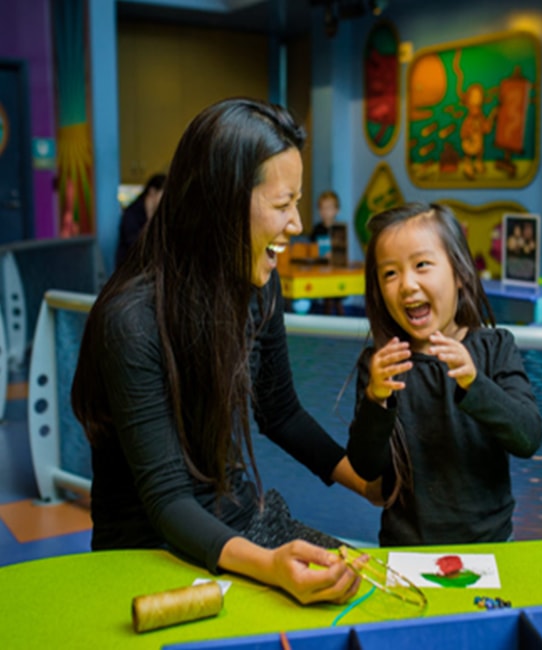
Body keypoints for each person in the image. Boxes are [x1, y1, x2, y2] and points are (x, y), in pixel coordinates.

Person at [71, 98, 375, 605]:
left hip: (239, 519)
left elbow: (280, 411)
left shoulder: (259, 286)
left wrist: (368, 485)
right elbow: (169, 502)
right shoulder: (131, 320)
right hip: (151, 550)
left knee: (366, 601)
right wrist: (271, 567)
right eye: (282, 206)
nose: (296, 224)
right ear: (220, 204)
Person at [347, 202, 542, 546]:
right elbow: (365, 467)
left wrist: (473, 382)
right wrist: (376, 399)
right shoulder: (379, 366)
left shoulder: (496, 348)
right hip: (406, 548)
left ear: (460, 273)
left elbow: (527, 437)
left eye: (422, 265)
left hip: (492, 546)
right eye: (390, 273)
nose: (407, 285)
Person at [114, 173, 166, 268]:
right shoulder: (131, 213)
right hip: (129, 269)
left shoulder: (158, 215)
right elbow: (133, 243)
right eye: (164, 193)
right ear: (152, 192)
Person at [310, 190, 345, 316]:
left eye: (329, 208)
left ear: (337, 210)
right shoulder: (317, 229)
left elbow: (342, 250)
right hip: (320, 267)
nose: (325, 212)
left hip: (336, 269)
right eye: (322, 208)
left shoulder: (339, 229)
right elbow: (312, 248)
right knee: (326, 298)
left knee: (337, 298)